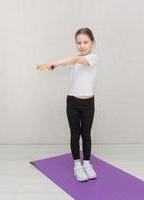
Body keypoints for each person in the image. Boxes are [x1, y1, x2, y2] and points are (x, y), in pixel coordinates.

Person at [36, 27, 100, 182]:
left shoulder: (93, 58)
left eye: (85, 42)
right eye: (79, 43)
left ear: (92, 43)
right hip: (72, 102)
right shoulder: (75, 60)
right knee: (74, 134)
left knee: (86, 134)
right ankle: (77, 165)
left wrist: (54, 62)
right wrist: (53, 66)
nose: (82, 45)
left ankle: (87, 163)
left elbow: (75, 60)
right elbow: (70, 62)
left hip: (88, 103)